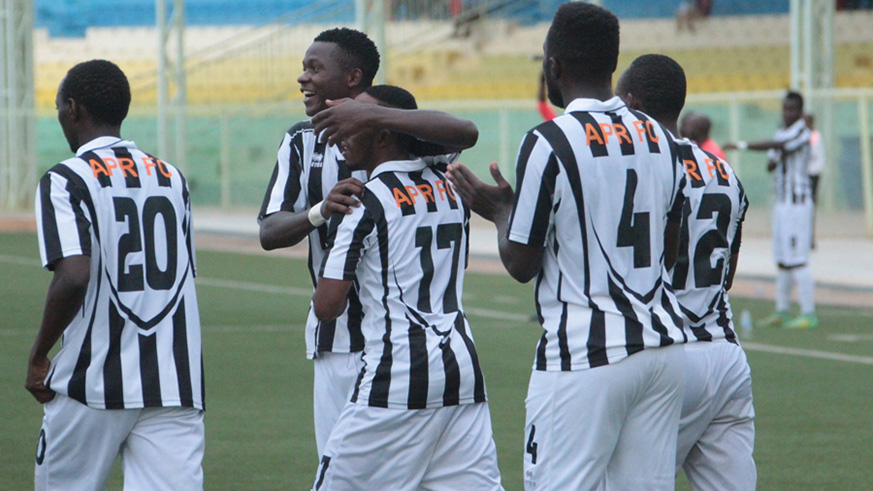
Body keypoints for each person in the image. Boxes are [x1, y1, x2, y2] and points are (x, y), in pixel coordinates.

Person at [448, 4, 688, 489]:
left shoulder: (550, 140)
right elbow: (671, 248)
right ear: (612, 65)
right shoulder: (662, 139)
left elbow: (520, 262)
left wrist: (499, 212)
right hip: (663, 351)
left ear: (553, 65)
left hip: (585, 353)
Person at [258, 27, 479, 458]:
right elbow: (269, 231)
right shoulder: (302, 141)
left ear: (353, 77)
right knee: (343, 465)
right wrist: (320, 210)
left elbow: (465, 132)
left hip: (407, 345)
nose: (303, 78)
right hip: (340, 341)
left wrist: (373, 117)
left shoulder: (401, 132)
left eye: (314, 68)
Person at [312, 85, 503, 490]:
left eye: (354, 122)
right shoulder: (445, 181)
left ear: (382, 132)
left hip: (395, 377)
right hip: (461, 373)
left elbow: (327, 306)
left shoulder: (365, 201)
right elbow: (463, 132)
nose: (344, 132)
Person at [27, 59, 205, 490]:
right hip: (173, 382)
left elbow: (73, 276)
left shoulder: (66, 179)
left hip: (92, 381)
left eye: (57, 109)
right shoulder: (171, 178)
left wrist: (38, 355)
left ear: (73, 109)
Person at [617, 53, 756, 491]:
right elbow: (728, 272)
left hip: (670, 353)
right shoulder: (724, 171)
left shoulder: (640, 164)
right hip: (726, 355)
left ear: (632, 102)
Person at [725, 91, 817, 329]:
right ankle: (782, 310)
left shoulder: (802, 131)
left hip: (798, 203)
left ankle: (809, 313)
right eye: (785, 109)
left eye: (793, 109)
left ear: (800, 111)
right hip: (782, 203)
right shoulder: (782, 133)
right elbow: (771, 164)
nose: (788, 113)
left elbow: (778, 146)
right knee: (782, 259)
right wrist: (777, 149)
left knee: (798, 259)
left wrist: (743, 145)